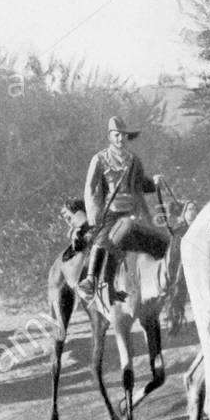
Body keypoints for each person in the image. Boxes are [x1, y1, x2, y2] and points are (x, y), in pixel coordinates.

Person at [76, 115, 163, 301]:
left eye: (123, 135)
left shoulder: (134, 161)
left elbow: (140, 184)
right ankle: (91, 280)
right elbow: (90, 189)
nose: (120, 139)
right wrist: (94, 217)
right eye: (116, 135)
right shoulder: (99, 159)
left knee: (160, 240)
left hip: (134, 211)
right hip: (111, 212)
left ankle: (165, 281)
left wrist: (155, 184)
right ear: (110, 137)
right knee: (102, 239)